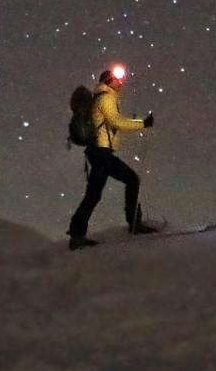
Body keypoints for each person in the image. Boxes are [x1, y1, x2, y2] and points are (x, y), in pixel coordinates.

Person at [67, 64, 157, 250]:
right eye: (117, 79)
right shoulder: (105, 98)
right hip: (101, 153)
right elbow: (116, 122)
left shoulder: (101, 97)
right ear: (109, 81)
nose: (121, 82)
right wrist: (143, 124)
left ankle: (77, 235)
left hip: (98, 153)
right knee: (131, 180)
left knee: (94, 194)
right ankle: (134, 224)